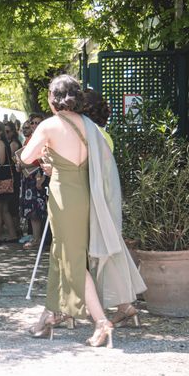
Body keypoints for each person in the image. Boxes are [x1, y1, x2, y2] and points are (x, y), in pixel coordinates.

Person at [18, 75, 145, 348]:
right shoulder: (90, 126)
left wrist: (44, 150)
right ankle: (49, 317)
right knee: (61, 256)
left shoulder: (50, 125)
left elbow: (26, 158)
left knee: (72, 260)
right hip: (89, 196)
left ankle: (101, 322)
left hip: (65, 199)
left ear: (54, 99)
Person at [82, 89, 143, 327]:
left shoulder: (91, 135)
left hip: (95, 200)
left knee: (98, 254)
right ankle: (125, 307)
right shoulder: (103, 134)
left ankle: (112, 308)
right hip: (107, 198)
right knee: (109, 252)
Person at [17, 114, 48, 248]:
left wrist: (24, 165)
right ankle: (36, 237)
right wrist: (20, 165)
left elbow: (41, 160)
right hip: (27, 176)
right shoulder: (29, 139)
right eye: (33, 123)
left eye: (38, 123)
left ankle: (38, 238)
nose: (35, 126)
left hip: (39, 175)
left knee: (37, 208)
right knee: (31, 208)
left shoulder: (44, 139)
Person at [5, 121, 22, 235]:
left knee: (13, 203)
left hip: (14, 175)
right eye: (4, 131)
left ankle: (16, 228)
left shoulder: (13, 144)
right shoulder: (9, 142)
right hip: (11, 174)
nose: (6, 134)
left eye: (8, 131)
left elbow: (10, 159)